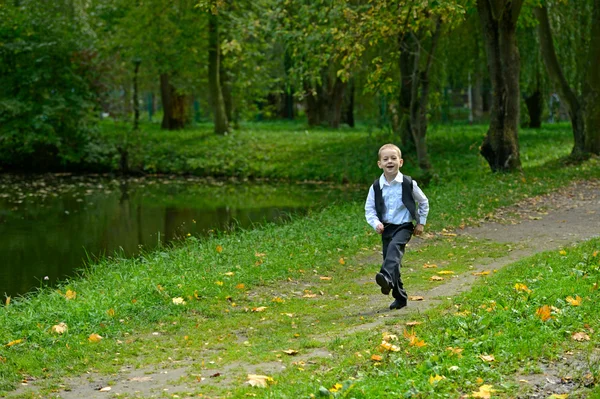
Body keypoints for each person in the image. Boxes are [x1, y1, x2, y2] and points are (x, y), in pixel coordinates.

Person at [364, 143, 429, 310]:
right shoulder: (376, 187)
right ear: (380, 164)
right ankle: (400, 297)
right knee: (392, 262)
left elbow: (423, 201)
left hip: (404, 226)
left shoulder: (407, 183)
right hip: (386, 228)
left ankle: (384, 275)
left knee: (394, 249)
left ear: (401, 162)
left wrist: (421, 222)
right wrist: (376, 224)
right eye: (385, 159)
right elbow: (369, 209)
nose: (389, 161)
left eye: (393, 158)